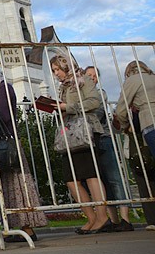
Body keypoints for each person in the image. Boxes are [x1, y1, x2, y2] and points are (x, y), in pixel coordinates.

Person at [0, 62, 47, 242]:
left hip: (7, 144)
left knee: (17, 185)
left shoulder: (5, 89)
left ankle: (27, 227)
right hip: (1, 143)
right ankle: (19, 227)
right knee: (9, 186)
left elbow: (6, 115)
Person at [49, 55, 110, 234]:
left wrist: (67, 107)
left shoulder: (82, 80)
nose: (55, 74)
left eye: (57, 69)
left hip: (86, 131)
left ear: (66, 67)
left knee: (91, 174)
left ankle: (102, 217)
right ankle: (91, 217)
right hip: (70, 133)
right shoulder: (63, 86)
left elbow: (94, 101)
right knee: (71, 178)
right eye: (53, 70)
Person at [84, 66, 133, 231]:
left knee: (114, 178)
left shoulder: (99, 93)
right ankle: (113, 220)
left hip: (103, 138)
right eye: (88, 75)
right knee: (102, 180)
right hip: (89, 141)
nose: (92, 78)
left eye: (94, 76)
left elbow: (95, 113)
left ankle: (125, 218)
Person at [115, 61, 155, 159]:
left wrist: (125, 125)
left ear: (128, 72)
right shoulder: (153, 77)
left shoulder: (132, 80)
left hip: (150, 120)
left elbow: (120, 111)